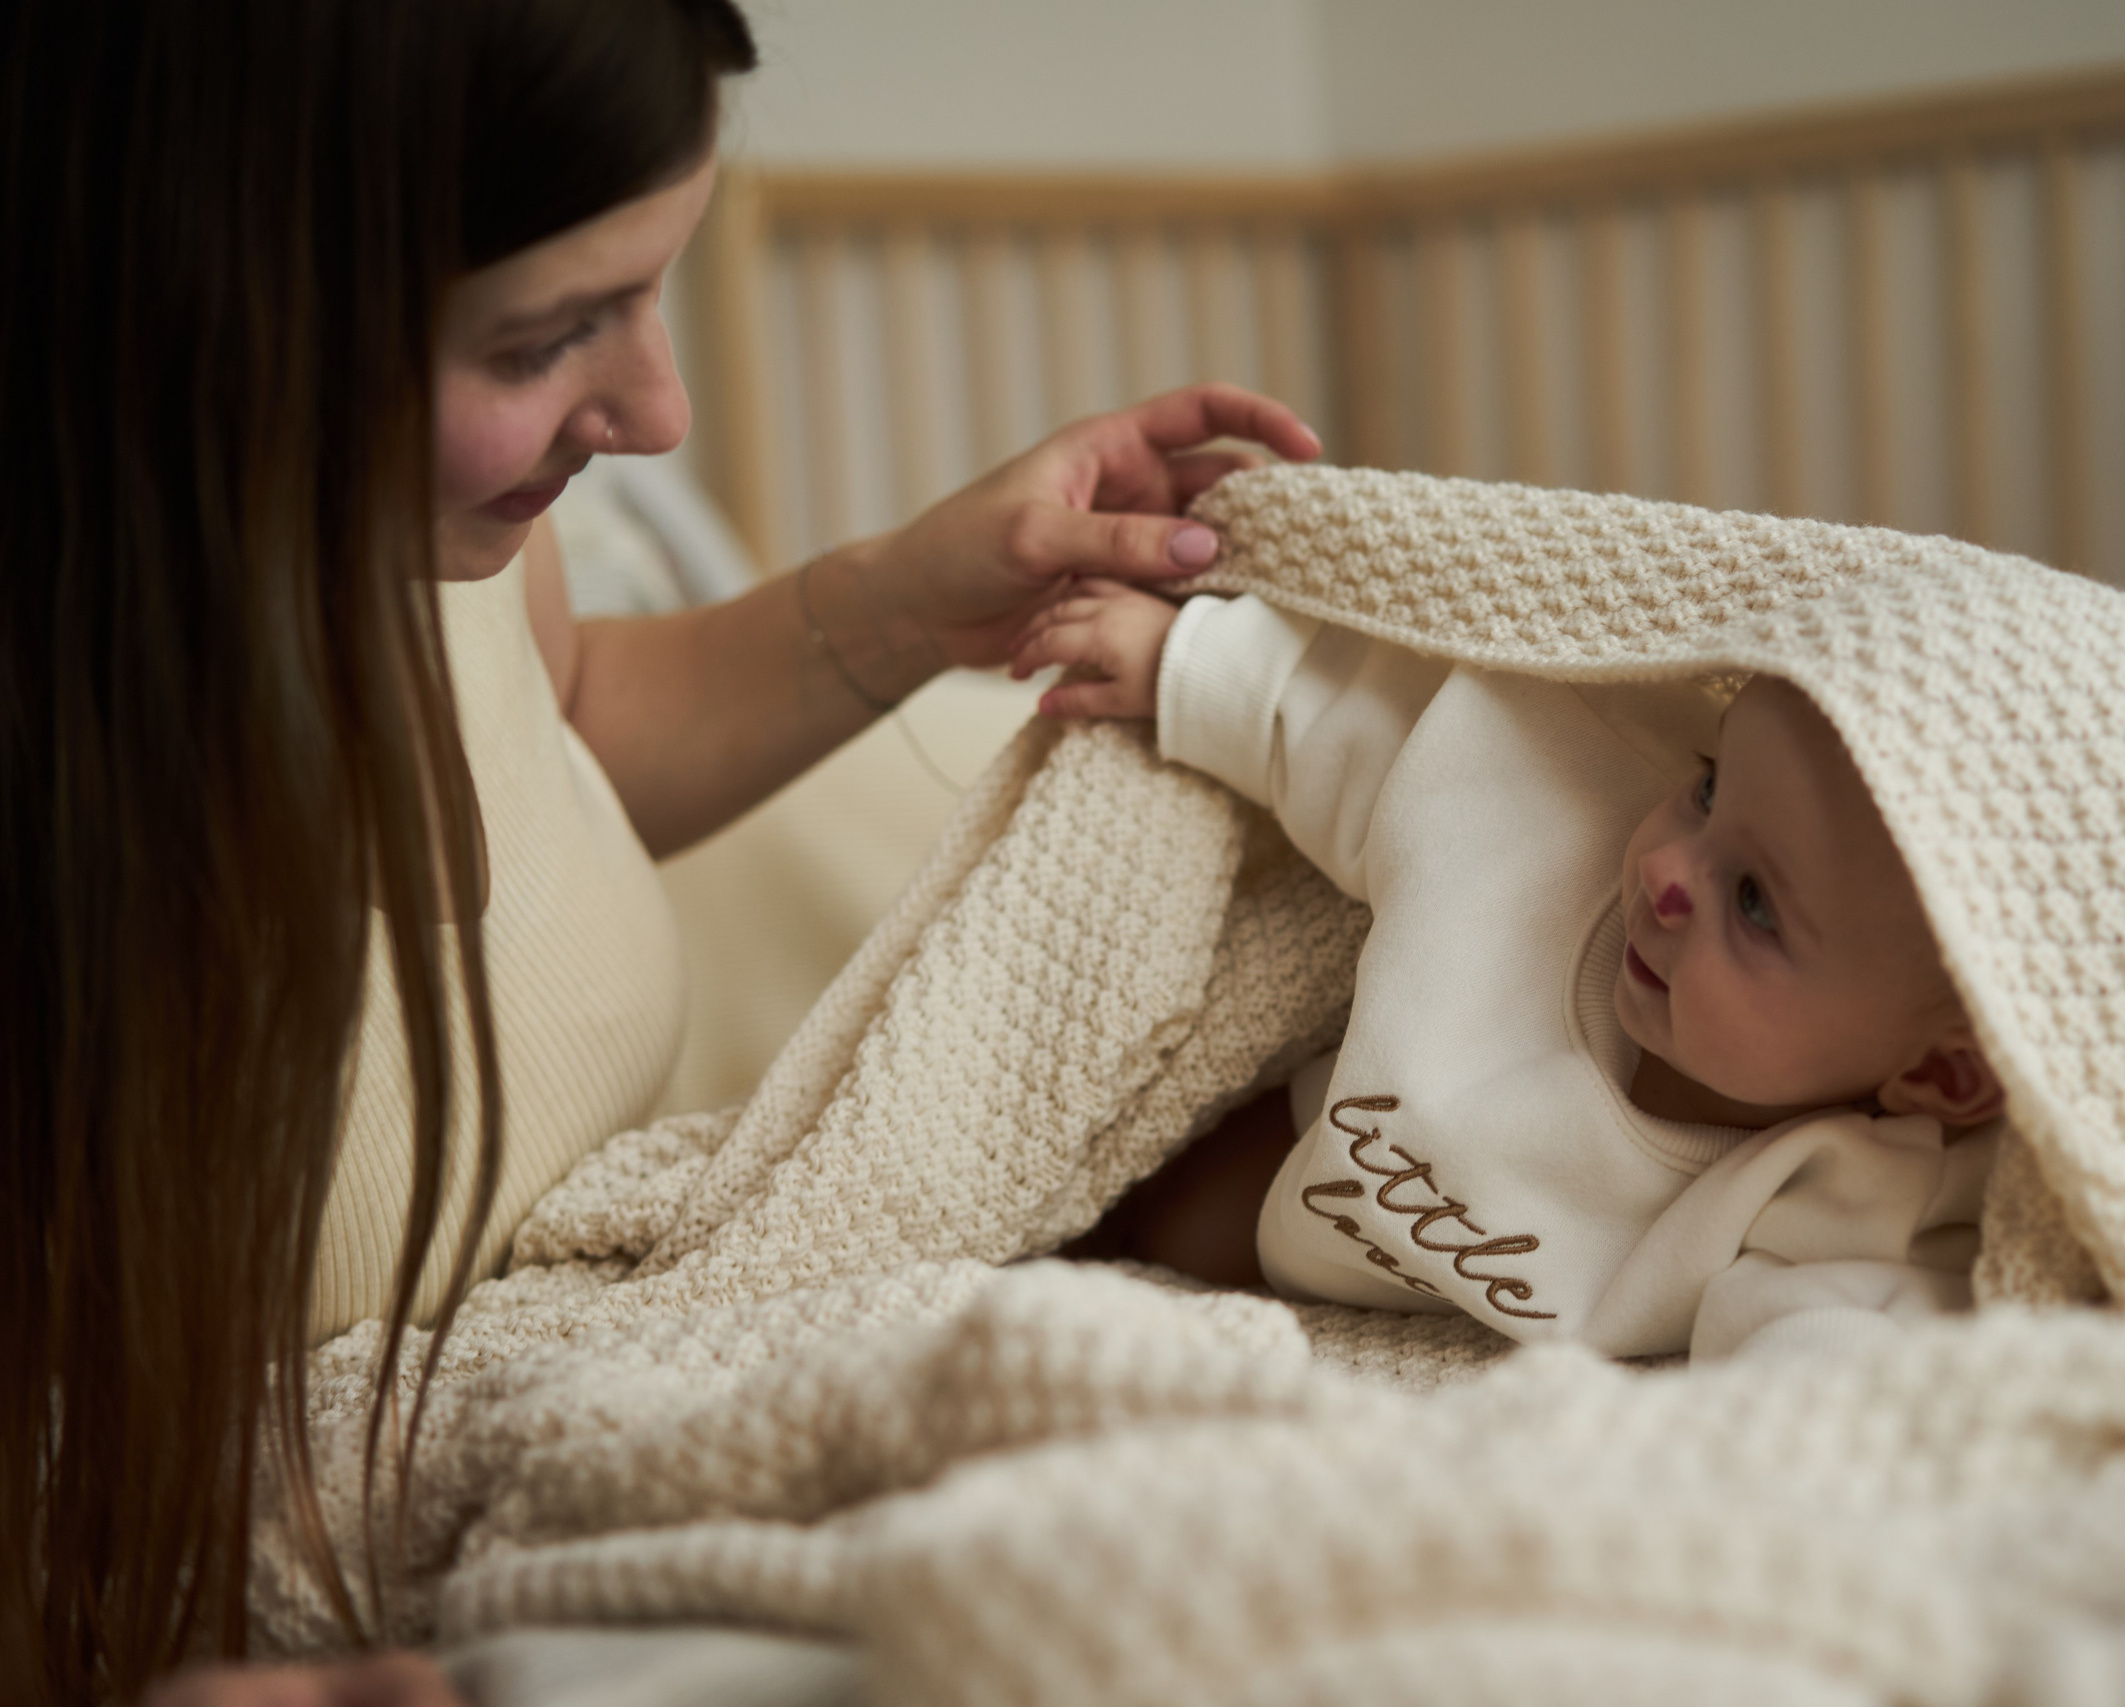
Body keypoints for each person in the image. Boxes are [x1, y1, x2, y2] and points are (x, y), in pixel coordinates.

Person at [0, 3, 1317, 1702]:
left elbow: (565, 735)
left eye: (651, 293)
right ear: (209, 304)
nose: (660, 409)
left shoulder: (441, 551)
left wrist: (907, 597)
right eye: (549, 337)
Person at [1023, 580, 2003, 1356]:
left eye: (1753, 903)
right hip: (1262, 1149)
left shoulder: (1850, 1196)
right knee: (1122, 1197)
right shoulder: (1545, 814)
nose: (1663, 871)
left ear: (1941, 1073)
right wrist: (1182, 662)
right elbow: (1362, 734)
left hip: (1333, 1288)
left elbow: (1826, 1357)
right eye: (1706, 790)